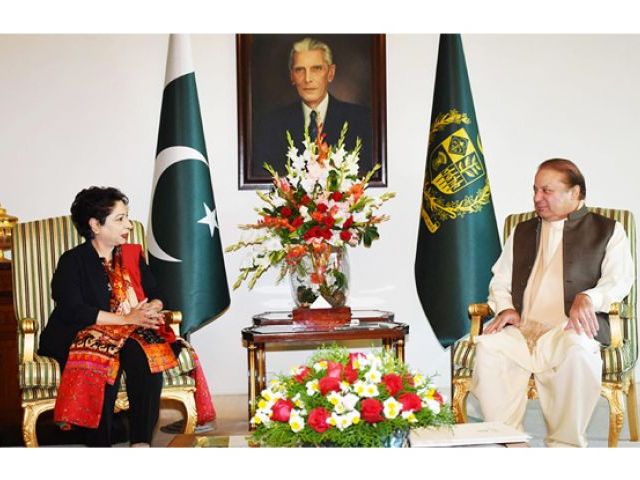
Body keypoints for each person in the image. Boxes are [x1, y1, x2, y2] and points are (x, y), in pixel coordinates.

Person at [471, 158, 634, 447]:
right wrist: (506, 307)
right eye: (535, 190)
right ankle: (510, 442)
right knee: (489, 347)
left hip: (566, 329)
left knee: (579, 351)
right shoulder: (521, 230)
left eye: (547, 191)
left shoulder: (608, 230)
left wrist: (589, 297)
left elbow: (619, 280)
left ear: (576, 192)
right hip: (523, 330)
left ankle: (564, 448)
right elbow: (500, 280)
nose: (537, 198)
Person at [38, 187, 181, 447]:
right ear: (95, 224)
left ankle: (141, 442)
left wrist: (154, 306)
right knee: (103, 358)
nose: (128, 224)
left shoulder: (131, 257)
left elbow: (159, 293)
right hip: (79, 332)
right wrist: (128, 319)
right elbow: (74, 310)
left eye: (127, 217)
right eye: (120, 219)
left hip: (127, 333)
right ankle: (99, 447)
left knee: (145, 354)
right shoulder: (72, 261)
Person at [253, 37, 373, 177]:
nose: (308, 79)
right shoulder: (271, 125)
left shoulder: (362, 120)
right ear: (292, 76)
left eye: (316, 69)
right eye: (300, 70)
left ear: (330, 73)